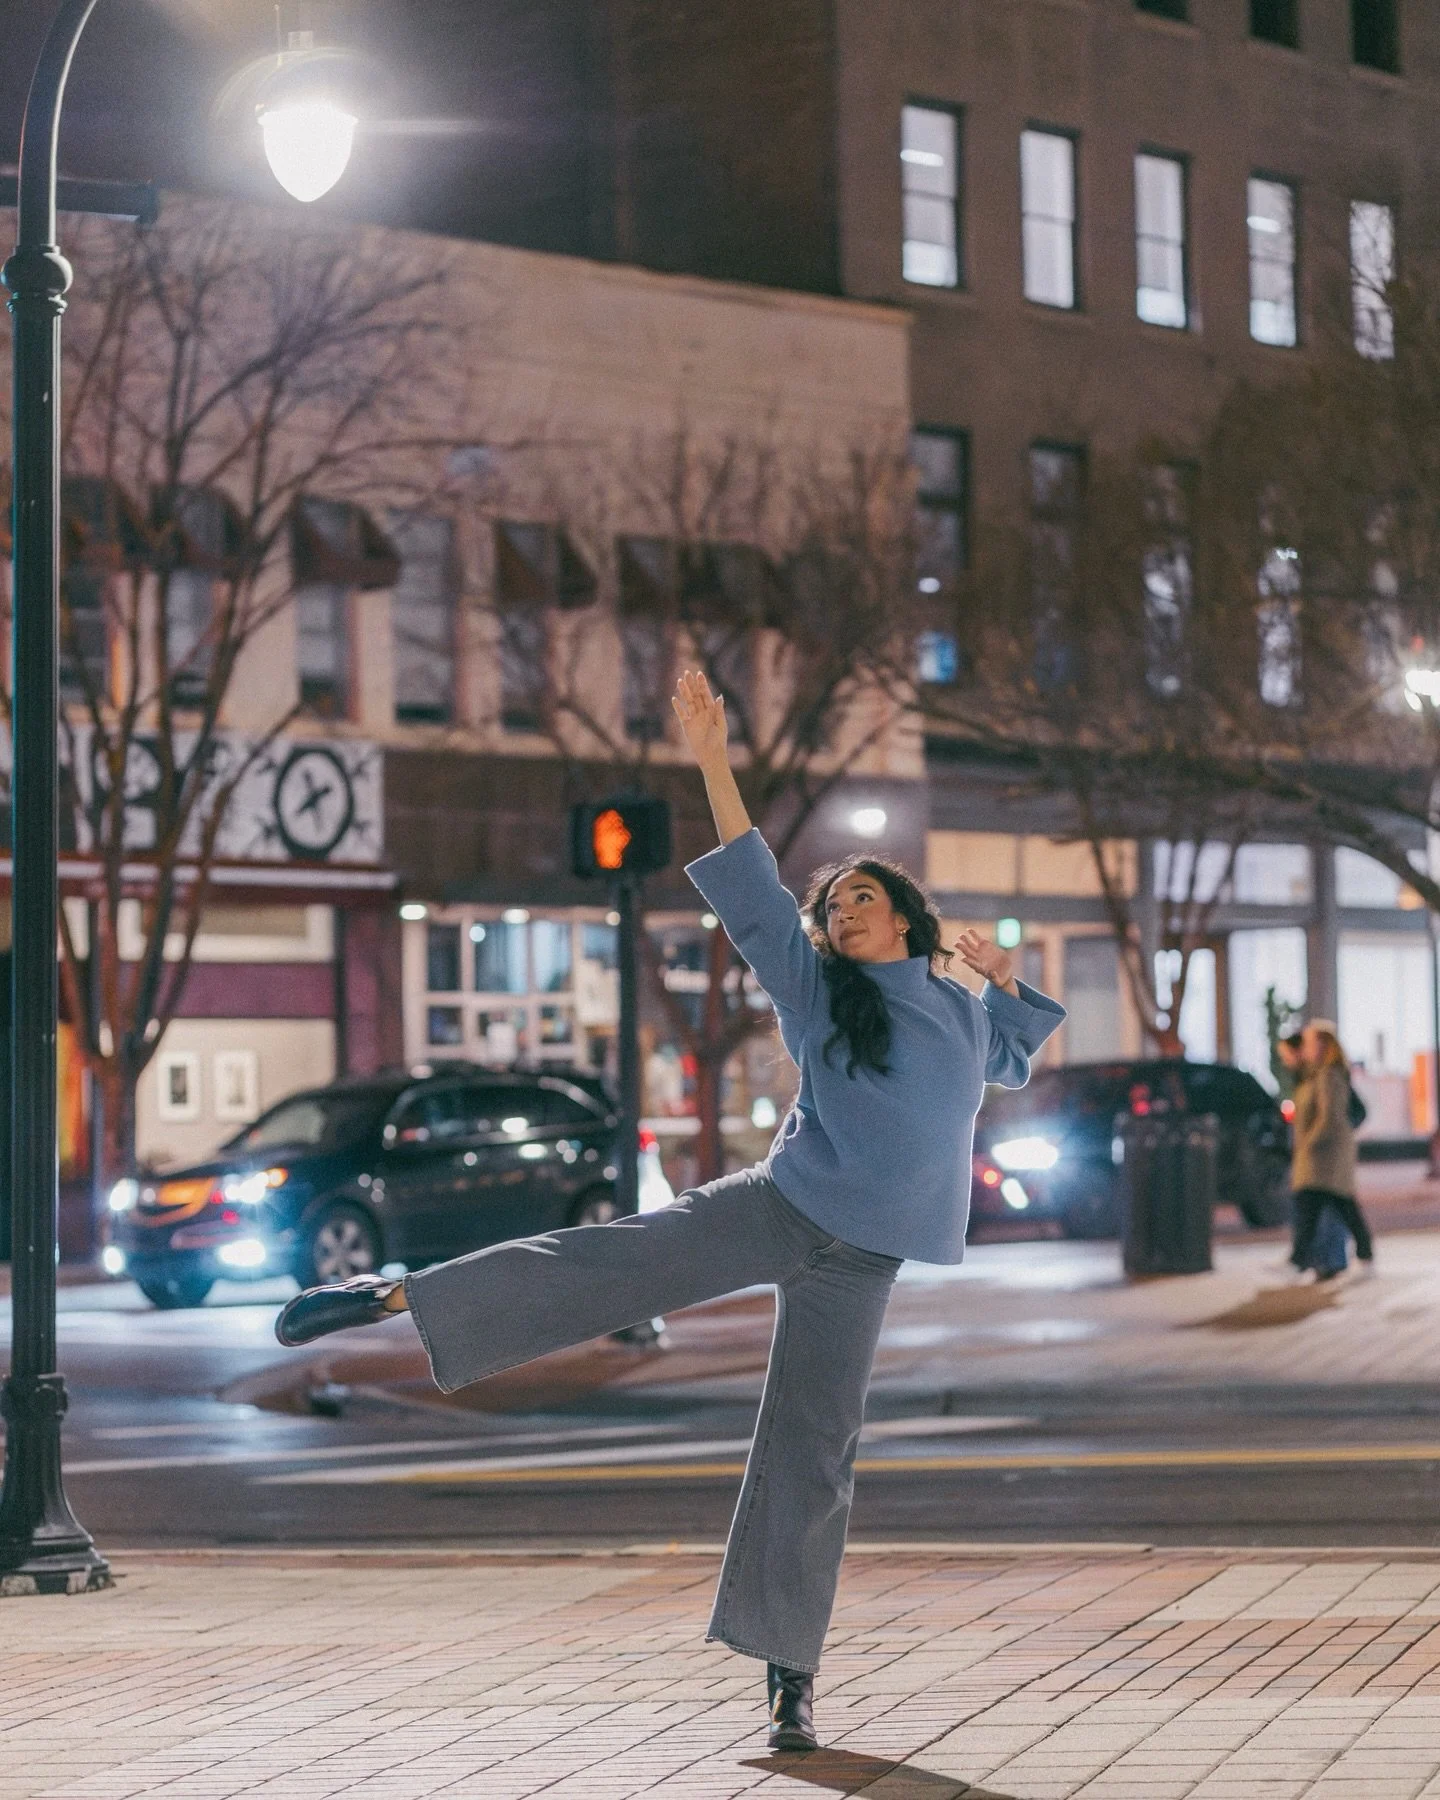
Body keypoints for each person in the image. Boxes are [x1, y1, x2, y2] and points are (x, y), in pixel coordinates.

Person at [272, 669, 1065, 1753]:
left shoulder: (960, 1008)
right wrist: (710, 755)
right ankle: (395, 1295)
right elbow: (751, 892)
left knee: (814, 1450)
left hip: (864, 1259)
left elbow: (1017, 1054)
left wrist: (1003, 974)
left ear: (905, 914)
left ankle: (792, 1676)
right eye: (833, 908)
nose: (842, 912)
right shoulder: (817, 987)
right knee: (611, 1261)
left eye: (861, 898)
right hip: (783, 1206)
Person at [1289, 1019, 1375, 1281]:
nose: (1306, 1048)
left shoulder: (1329, 1075)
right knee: (1336, 1205)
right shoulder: (1318, 1073)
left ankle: (1300, 1260)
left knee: (1316, 1204)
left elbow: (1330, 1117)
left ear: (1323, 1045)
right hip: (1323, 1157)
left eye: (1311, 1042)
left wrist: (1309, 1143)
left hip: (1324, 1156)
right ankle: (1361, 1253)